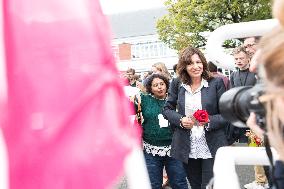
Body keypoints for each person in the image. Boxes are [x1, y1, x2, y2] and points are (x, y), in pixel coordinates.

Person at [162, 46, 228, 189]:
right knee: (195, 185)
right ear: (184, 66)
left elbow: (227, 114)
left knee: (210, 185)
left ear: (203, 63)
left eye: (198, 62)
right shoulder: (177, 83)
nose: (196, 66)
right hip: (187, 144)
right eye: (190, 63)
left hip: (212, 143)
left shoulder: (216, 83)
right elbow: (167, 109)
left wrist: (209, 121)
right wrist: (180, 120)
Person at [134, 74, 188, 189]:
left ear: (166, 85)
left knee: (179, 183)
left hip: (174, 149)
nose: (159, 87)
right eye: (155, 85)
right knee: (153, 184)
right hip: (151, 151)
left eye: (162, 84)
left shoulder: (175, 100)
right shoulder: (143, 100)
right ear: (150, 88)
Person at [228, 46, 257, 144]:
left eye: (241, 58)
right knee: (242, 143)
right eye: (236, 59)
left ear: (248, 59)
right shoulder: (233, 75)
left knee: (255, 143)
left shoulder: (256, 74)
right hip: (239, 115)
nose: (239, 61)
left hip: (254, 114)